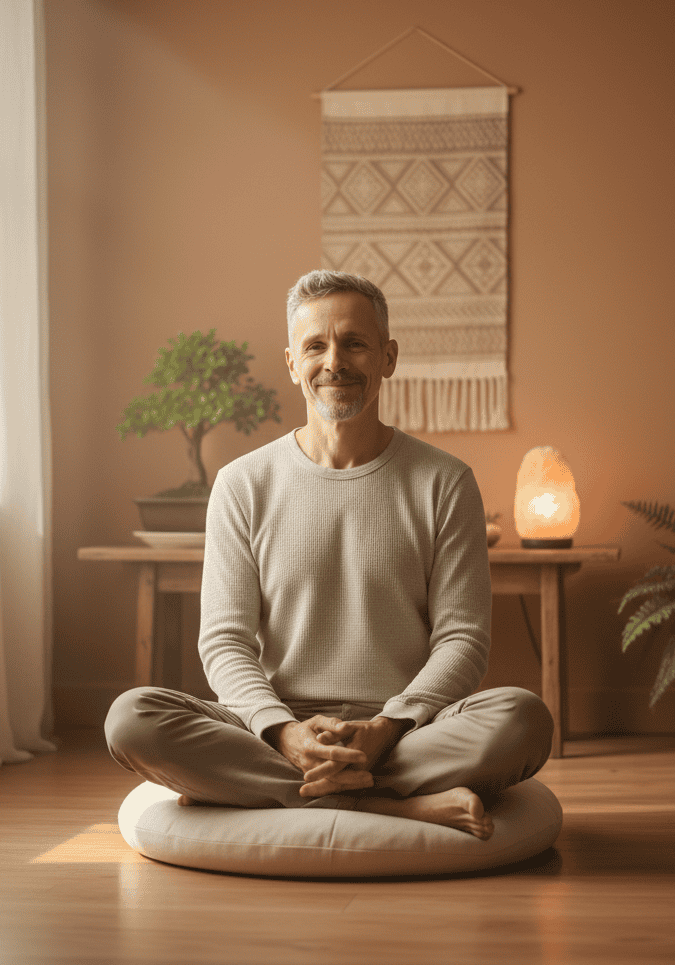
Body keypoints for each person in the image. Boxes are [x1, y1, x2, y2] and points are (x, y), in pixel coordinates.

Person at [105, 270, 553, 840]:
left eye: (355, 343)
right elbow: (225, 642)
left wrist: (387, 726)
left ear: (388, 357)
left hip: (406, 731)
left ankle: (288, 793)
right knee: (132, 719)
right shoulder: (242, 484)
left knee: (522, 719)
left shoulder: (446, 482)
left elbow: (463, 640)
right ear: (292, 362)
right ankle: (391, 805)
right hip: (272, 726)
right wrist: (284, 732)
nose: (334, 362)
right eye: (315, 345)